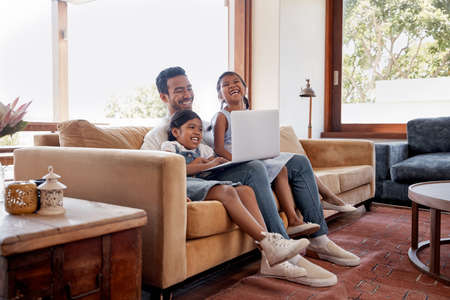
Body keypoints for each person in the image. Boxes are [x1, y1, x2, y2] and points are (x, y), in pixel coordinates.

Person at [141, 66, 359, 287]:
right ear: (163, 96)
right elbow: (147, 168)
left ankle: (320, 240)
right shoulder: (159, 133)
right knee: (254, 168)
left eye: (189, 88)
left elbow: (220, 149)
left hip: (225, 166)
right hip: (206, 177)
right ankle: (282, 252)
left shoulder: (203, 124)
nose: (187, 94)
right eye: (179, 90)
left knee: (298, 162)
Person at [161, 109, 309, 270]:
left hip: (203, 181)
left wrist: (217, 162)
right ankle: (271, 245)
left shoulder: (204, 149)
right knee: (228, 192)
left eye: (200, 129)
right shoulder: (170, 146)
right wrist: (204, 165)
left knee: (246, 191)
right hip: (184, 182)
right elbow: (174, 169)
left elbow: (212, 167)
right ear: (175, 131)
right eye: (191, 127)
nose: (197, 132)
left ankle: (269, 254)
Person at [212, 71, 356, 229]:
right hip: (239, 161)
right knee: (281, 170)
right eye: (225, 85)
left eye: (236, 82)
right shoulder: (222, 116)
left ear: (244, 88)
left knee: (299, 160)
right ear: (220, 95)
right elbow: (219, 148)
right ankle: (294, 218)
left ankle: (328, 197)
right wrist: (237, 159)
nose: (232, 85)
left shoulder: (249, 114)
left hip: (255, 156)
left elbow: (256, 139)